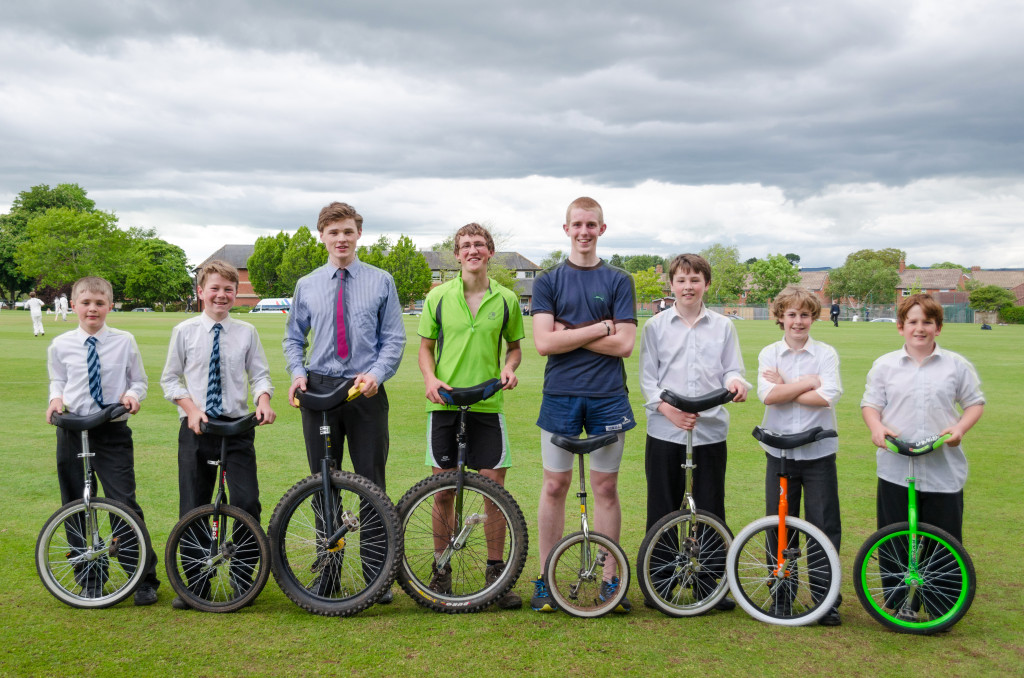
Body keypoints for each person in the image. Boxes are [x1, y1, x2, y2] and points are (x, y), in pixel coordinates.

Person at [282, 201, 405, 603]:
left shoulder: (381, 280)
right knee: (324, 483)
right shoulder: (308, 283)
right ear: (322, 236)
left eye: (348, 231)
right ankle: (330, 572)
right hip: (319, 389)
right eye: (333, 232)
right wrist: (297, 374)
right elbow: (292, 337)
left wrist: (378, 374)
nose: (341, 239)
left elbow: (394, 339)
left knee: (371, 482)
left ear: (358, 235)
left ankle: (377, 574)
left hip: (365, 388)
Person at [530, 197, 637, 614]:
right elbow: (543, 343)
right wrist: (599, 328)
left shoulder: (618, 280)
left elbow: (624, 345)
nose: (584, 231)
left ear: (602, 229)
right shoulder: (548, 281)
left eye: (591, 224)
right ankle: (546, 578)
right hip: (560, 395)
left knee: (605, 488)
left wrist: (569, 333)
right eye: (577, 224)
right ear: (566, 228)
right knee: (554, 486)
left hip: (608, 397)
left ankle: (611, 580)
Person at [417, 223, 525, 609]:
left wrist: (510, 367)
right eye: (465, 245)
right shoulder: (439, 297)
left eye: (479, 244)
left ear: (490, 252)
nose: (472, 250)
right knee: (442, 491)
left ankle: (497, 577)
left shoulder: (508, 299)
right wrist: (430, 377)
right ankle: (440, 572)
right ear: (457, 255)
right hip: (444, 403)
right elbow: (425, 349)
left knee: (493, 490)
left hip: (488, 403)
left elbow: (514, 348)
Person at [161, 260, 276, 610]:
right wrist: (191, 409)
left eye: (229, 289)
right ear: (200, 292)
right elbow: (170, 379)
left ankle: (244, 580)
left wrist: (264, 400)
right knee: (194, 502)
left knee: (247, 501)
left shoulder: (247, 332)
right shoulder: (184, 331)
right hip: (197, 428)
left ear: (236, 294)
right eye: (214, 288)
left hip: (237, 428)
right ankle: (196, 583)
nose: (221, 295)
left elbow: (259, 375)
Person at [638, 253, 749, 611]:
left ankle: (709, 585)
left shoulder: (723, 326)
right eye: (681, 280)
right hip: (665, 429)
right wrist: (669, 411)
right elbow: (647, 380)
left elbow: (732, 369)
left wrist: (736, 383)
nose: (688, 286)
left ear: (706, 284)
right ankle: (661, 582)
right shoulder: (655, 327)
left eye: (695, 280)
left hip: (709, 429)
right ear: (671, 285)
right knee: (663, 504)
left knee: (710, 505)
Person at [45, 276, 160, 605]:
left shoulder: (124, 341)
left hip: (111, 429)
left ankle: (142, 578)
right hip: (72, 428)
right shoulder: (61, 344)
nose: (92, 308)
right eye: (85, 303)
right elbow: (58, 379)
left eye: (99, 303)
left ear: (110, 305)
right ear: (73, 306)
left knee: (123, 504)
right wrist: (55, 400)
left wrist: (133, 395)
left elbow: (138, 380)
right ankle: (89, 577)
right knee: (76, 504)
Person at [862, 293, 984, 546]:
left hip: (943, 470)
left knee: (944, 549)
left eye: (928, 322)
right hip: (894, 468)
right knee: (893, 543)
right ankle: (895, 587)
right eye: (912, 322)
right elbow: (871, 405)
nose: (920, 328)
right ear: (900, 327)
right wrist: (876, 427)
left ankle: (941, 588)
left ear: (938, 328)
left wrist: (960, 428)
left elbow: (974, 403)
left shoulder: (956, 365)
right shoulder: (884, 365)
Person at [756, 286, 843, 625]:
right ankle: (782, 595)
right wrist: (807, 382)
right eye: (791, 314)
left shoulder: (826, 353)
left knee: (824, 525)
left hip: (818, 452)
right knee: (780, 526)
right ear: (780, 317)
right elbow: (768, 396)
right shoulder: (769, 353)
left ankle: (826, 600)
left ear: (813, 317)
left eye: (804, 314)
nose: (798, 321)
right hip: (779, 450)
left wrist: (786, 387)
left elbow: (827, 397)